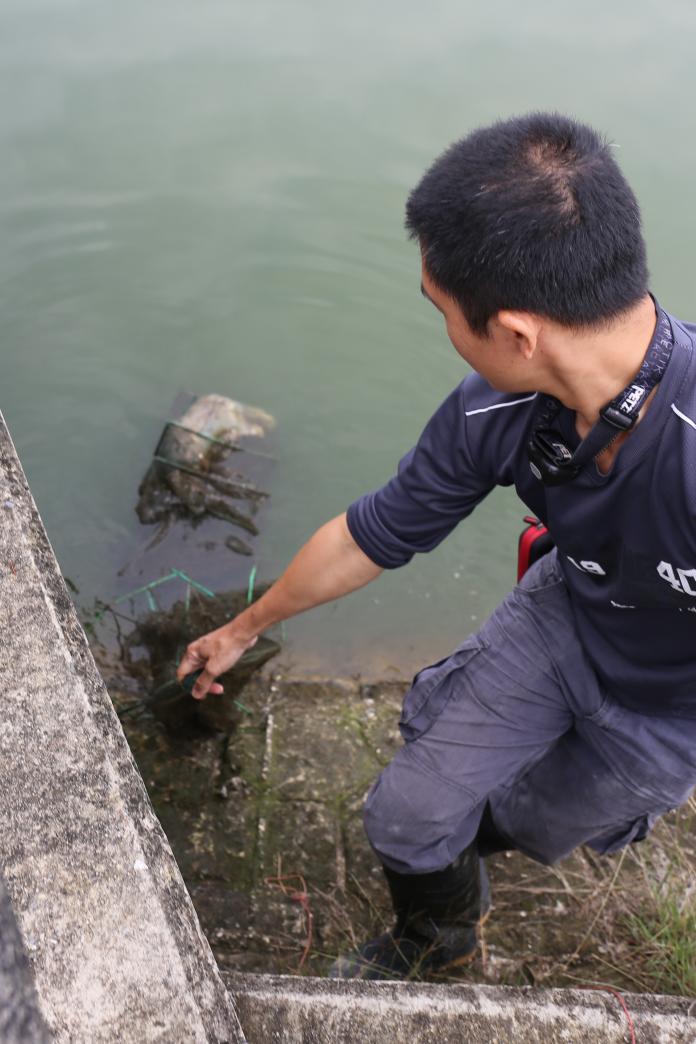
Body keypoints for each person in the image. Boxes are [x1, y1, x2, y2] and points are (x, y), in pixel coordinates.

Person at [177, 112, 696, 980]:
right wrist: (242, 628)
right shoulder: (495, 409)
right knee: (406, 817)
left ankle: (519, 828)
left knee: (532, 823)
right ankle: (440, 940)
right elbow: (372, 533)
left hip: (673, 709)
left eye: (445, 312)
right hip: (571, 615)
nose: (445, 333)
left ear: (518, 334)